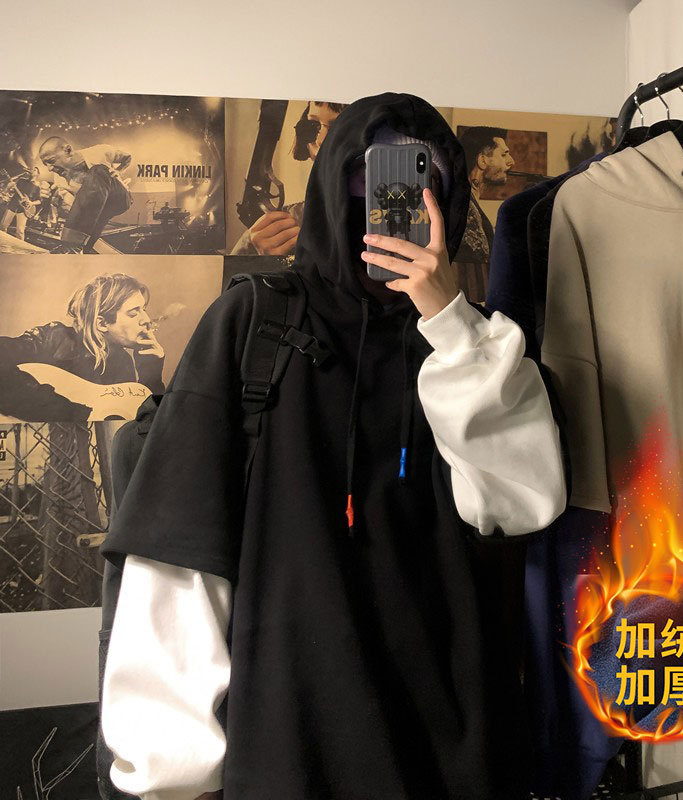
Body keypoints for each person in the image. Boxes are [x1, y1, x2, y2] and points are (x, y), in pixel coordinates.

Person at [100, 92, 567, 800]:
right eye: (369, 175)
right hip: (292, 729)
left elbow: (518, 504)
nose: (390, 202)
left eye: (421, 177)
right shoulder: (254, 322)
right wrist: (169, 772)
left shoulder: (477, 343)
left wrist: (449, 322)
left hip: (452, 738)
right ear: (331, 183)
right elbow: (181, 549)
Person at [0, 273, 165, 421]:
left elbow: (144, 423)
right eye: (134, 313)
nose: (146, 319)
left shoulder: (122, 362)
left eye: (144, 309)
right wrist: (74, 413)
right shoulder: (52, 338)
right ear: (102, 323)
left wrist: (151, 374)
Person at [231, 100, 348, 256]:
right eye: (313, 125)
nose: (320, 140)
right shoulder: (274, 227)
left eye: (340, 128)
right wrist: (269, 262)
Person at [452, 126, 515, 303]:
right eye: (504, 155)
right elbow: (473, 272)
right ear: (482, 160)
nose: (511, 162)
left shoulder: (465, 200)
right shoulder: (464, 205)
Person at [38, 136, 132, 253]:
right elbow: (80, 208)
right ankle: (78, 250)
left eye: (51, 161)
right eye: (45, 164)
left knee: (98, 170)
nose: (49, 168)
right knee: (86, 247)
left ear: (68, 150)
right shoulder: (59, 179)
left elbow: (127, 157)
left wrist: (119, 171)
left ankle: (70, 245)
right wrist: (48, 201)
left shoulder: (99, 152)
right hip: (98, 208)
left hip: (119, 198)